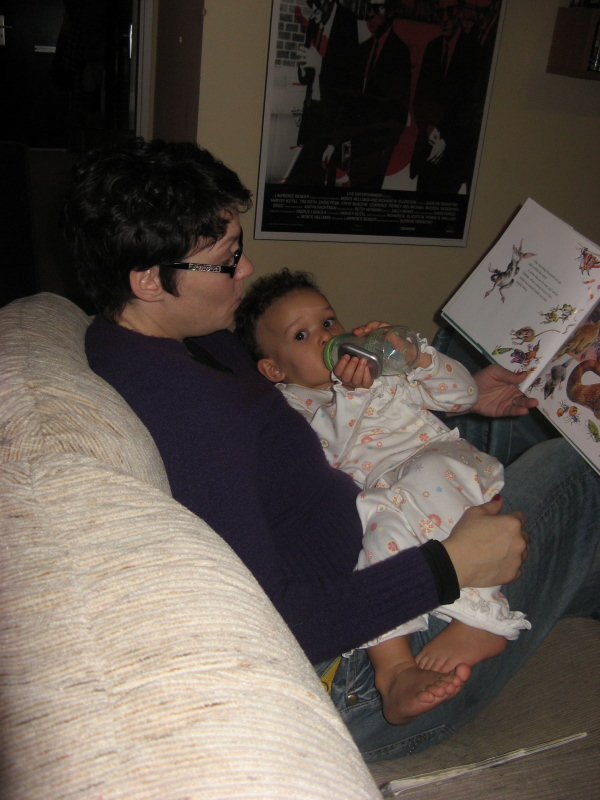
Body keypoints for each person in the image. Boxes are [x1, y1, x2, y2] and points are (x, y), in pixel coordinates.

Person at [63, 137, 600, 761]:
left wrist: (473, 397)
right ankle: (492, 618)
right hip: (367, 651)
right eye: (225, 260)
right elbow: (278, 621)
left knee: (480, 365)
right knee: (575, 467)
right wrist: (452, 565)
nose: (246, 269)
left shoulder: (175, 340)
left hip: (381, 505)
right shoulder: (186, 415)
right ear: (148, 280)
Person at [234, 267, 531, 719]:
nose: (324, 337)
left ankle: (482, 617)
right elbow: (333, 450)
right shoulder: (292, 408)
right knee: (375, 537)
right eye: (301, 335)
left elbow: (462, 396)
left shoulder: (385, 372)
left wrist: (418, 358)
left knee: (428, 473)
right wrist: (352, 394)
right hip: (386, 498)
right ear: (274, 369)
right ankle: (394, 670)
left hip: (443, 467)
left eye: (328, 322)